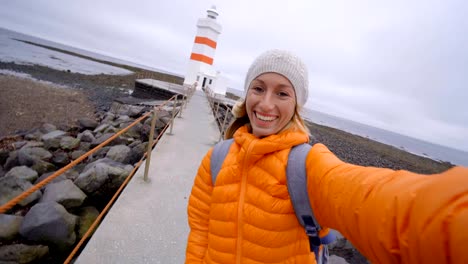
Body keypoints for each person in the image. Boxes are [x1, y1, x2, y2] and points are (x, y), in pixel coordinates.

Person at [185, 49, 468, 264]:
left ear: (297, 105)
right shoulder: (217, 158)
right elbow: (199, 233)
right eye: (258, 88)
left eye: (282, 93)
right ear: (246, 94)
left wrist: (452, 221)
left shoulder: (305, 165)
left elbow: (370, 198)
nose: (266, 103)